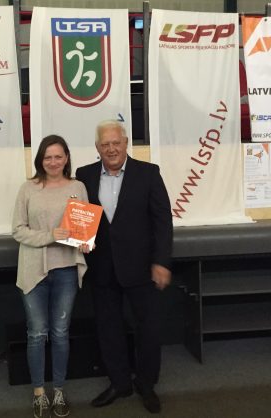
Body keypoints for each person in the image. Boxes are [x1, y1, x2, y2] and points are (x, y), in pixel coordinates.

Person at [75, 120, 173, 414]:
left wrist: (161, 262)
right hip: (102, 268)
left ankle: (146, 384)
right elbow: (81, 219)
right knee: (108, 329)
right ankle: (119, 383)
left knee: (148, 330)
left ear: (126, 143)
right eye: (105, 144)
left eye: (116, 143)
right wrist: (79, 240)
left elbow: (162, 222)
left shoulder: (149, 173)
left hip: (142, 268)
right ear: (97, 148)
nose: (111, 149)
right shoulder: (84, 175)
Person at [12, 134, 89, 418]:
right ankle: (38, 393)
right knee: (36, 334)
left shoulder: (78, 187)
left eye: (58, 156)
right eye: (48, 157)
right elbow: (18, 230)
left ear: (66, 158)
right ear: (40, 160)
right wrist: (50, 236)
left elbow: (84, 228)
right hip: (34, 270)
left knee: (60, 333)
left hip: (66, 268)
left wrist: (85, 241)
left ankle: (58, 390)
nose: (53, 162)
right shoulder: (28, 188)